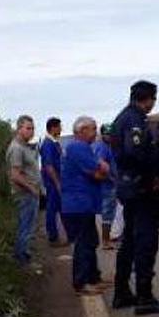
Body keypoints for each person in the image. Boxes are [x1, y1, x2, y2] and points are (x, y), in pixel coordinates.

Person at [112, 80, 159, 314]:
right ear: (148, 99)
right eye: (153, 99)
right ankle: (145, 297)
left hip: (129, 187)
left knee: (129, 241)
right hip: (140, 188)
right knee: (145, 241)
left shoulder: (122, 118)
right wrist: (152, 177)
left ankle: (122, 292)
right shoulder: (134, 120)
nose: (153, 104)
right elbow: (135, 153)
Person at [61, 117, 112, 296]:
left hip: (82, 204)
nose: (96, 133)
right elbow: (96, 171)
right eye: (93, 129)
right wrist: (104, 169)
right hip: (78, 204)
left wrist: (102, 168)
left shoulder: (80, 147)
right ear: (82, 130)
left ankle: (93, 277)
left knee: (90, 241)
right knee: (83, 243)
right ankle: (81, 282)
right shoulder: (78, 147)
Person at [6, 115, 43, 273]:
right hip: (25, 195)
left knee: (26, 227)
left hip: (29, 194)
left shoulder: (24, 147)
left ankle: (20, 257)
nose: (31, 131)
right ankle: (23, 261)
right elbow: (15, 175)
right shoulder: (17, 148)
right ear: (19, 128)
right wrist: (32, 188)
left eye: (33, 128)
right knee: (25, 228)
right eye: (28, 128)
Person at [39, 117, 69, 246]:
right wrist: (57, 183)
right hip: (52, 182)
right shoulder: (48, 144)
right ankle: (53, 237)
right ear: (53, 128)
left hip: (56, 180)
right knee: (51, 209)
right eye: (59, 127)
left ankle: (68, 233)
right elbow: (48, 166)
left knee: (61, 208)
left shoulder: (54, 142)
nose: (61, 129)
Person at [93, 124, 119, 249]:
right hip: (107, 185)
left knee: (110, 213)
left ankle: (107, 239)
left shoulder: (107, 146)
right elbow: (100, 164)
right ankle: (105, 241)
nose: (110, 136)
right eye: (107, 134)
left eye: (111, 134)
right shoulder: (102, 147)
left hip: (109, 184)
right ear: (102, 135)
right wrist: (111, 178)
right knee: (107, 214)